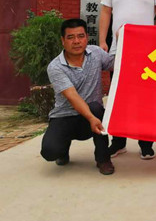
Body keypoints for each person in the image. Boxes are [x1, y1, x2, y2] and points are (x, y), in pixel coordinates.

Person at [99, 0, 156, 160]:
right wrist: (103, 40)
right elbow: (106, 12)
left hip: (146, 52)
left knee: (146, 99)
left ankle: (146, 143)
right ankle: (118, 142)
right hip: (119, 51)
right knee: (119, 97)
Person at [40, 18, 115, 175]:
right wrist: (91, 118)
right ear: (63, 41)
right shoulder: (56, 67)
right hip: (64, 116)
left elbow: (117, 64)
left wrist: (121, 41)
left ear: (86, 37)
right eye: (71, 37)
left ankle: (103, 159)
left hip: (91, 116)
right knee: (50, 152)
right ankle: (63, 150)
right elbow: (72, 96)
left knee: (96, 108)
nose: (76, 41)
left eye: (81, 36)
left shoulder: (96, 53)